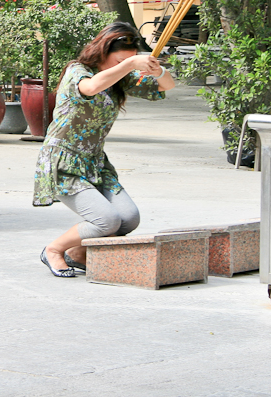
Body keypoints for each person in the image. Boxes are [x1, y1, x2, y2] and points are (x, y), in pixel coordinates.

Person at [33, 22, 176, 277]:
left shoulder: (120, 78)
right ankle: (54, 250)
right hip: (64, 161)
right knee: (107, 220)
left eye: (131, 59)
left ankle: (77, 253)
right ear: (103, 51)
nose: (123, 65)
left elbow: (167, 86)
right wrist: (130, 65)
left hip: (95, 162)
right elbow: (90, 88)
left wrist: (158, 70)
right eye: (119, 60)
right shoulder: (77, 71)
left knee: (129, 218)